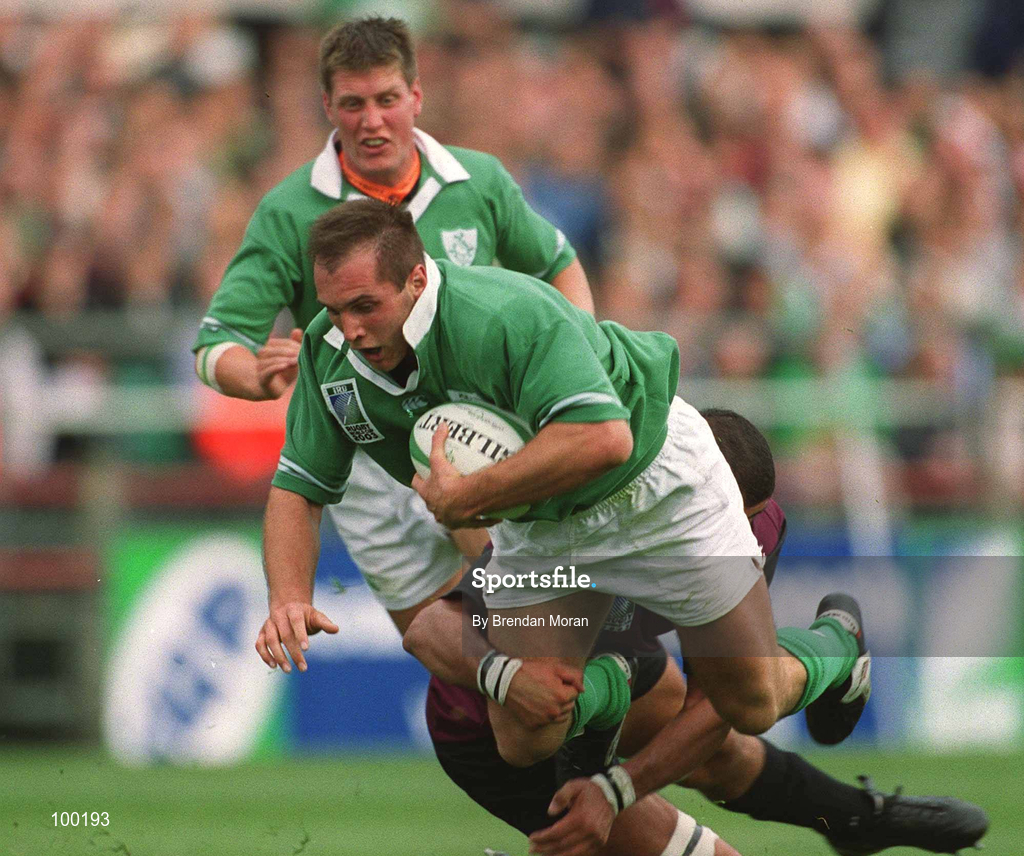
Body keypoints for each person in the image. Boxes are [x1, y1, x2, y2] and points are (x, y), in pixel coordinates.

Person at [257, 199, 870, 777]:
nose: (350, 329)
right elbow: (298, 485)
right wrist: (288, 595)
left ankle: (838, 642)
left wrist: (470, 500)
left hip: (654, 484)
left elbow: (605, 440)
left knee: (752, 704)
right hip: (543, 525)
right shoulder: (328, 356)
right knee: (526, 735)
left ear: (416, 281)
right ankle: (615, 679)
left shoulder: (503, 315)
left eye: (365, 306)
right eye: (335, 309)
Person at [405, 408, 988, 856]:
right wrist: (505, 673)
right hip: (487, 730)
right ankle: (834, 653)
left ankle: (855, 817)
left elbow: (721, 703)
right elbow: (431, 629)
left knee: (724, 740)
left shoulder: (752, 527)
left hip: (621, 665)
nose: (734, 539)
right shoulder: (581, 538)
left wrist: (617, 789)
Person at [193, 17, 594, 634]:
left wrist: (581, 345)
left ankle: (596, 681)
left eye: (386, 100)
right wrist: (255, 373)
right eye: (352, 104)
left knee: (528, 625)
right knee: (436, 640)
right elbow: (214, 344)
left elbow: (558, 263)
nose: (371, 120)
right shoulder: (288, 211)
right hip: (362, 454)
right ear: (327, 105)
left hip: (471, 429)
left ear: (415, 96)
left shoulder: (477, 181)